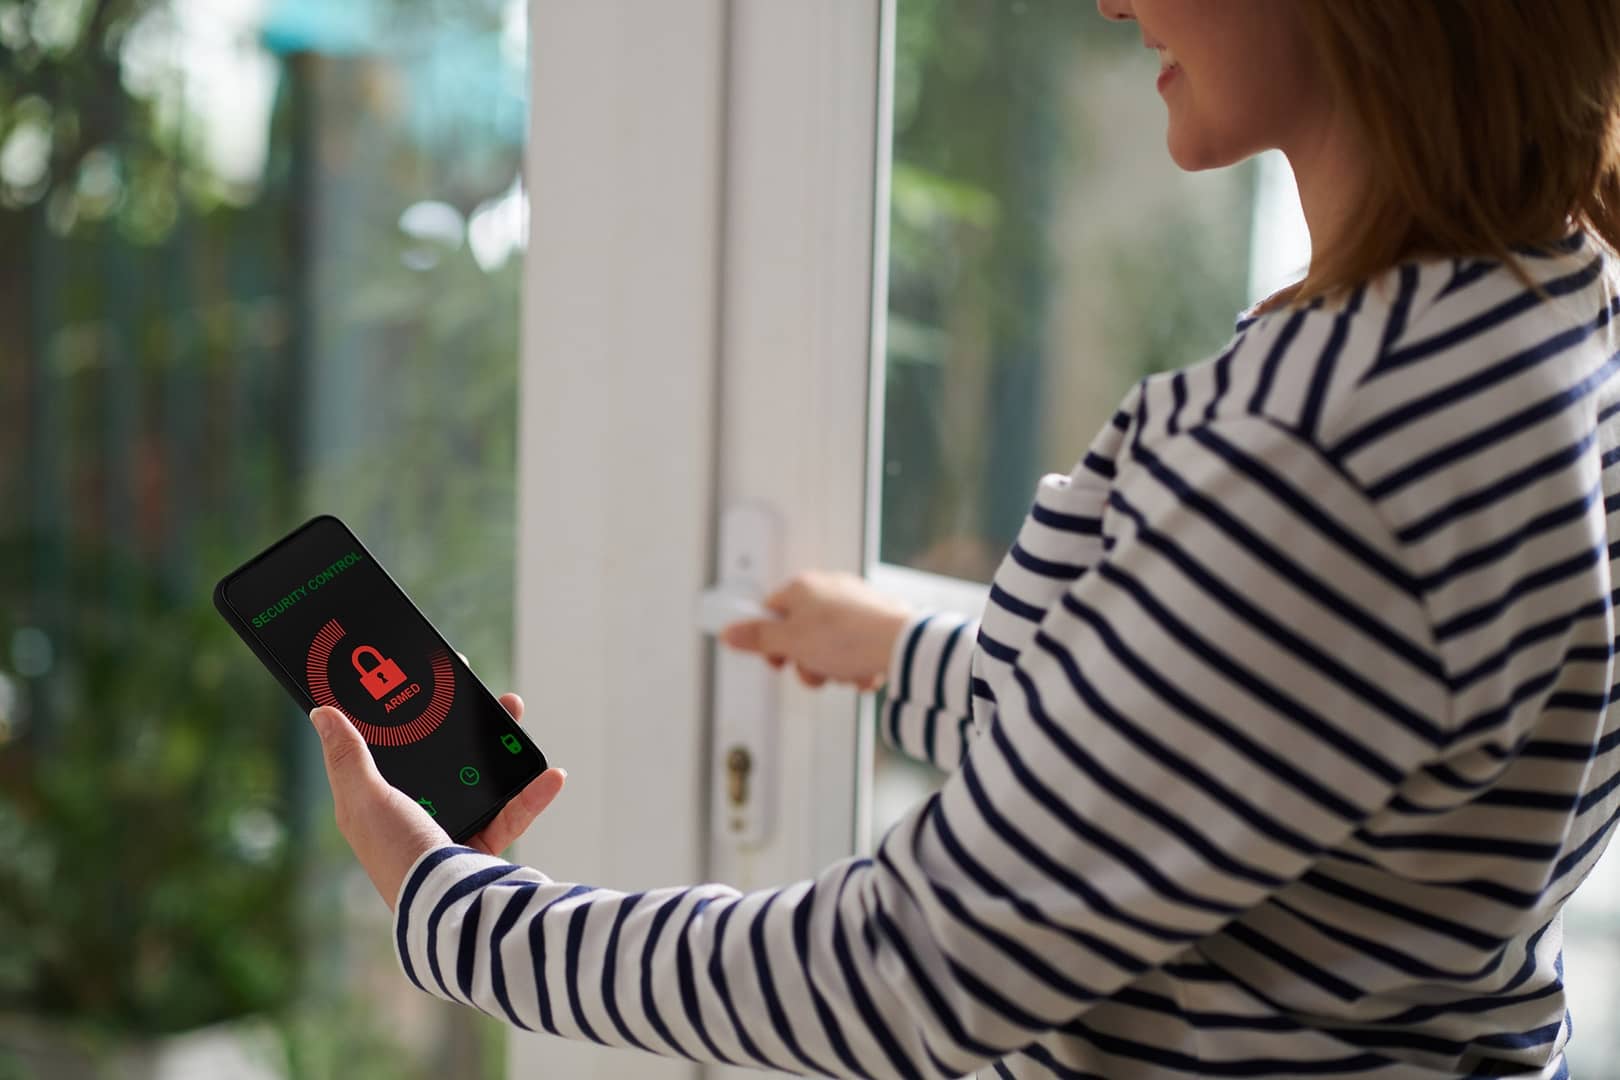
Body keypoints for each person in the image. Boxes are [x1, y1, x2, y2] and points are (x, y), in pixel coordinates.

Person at [306, 0, 1620, 1075]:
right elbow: (1257, 754)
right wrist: (912, 656)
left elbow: (911, 970)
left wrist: (455, 916)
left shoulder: (1329, 451)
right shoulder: (1545, 318)